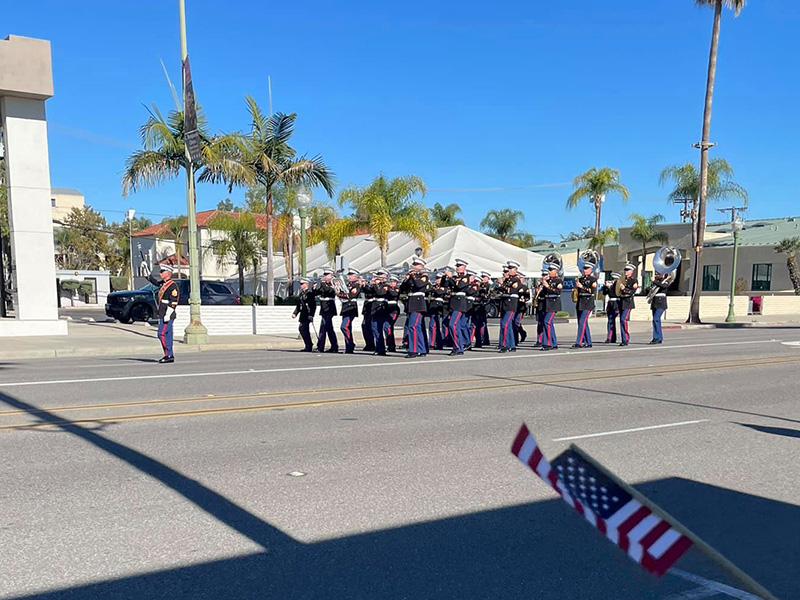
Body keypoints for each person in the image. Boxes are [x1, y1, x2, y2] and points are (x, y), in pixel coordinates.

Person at [399, 257, 431, 358]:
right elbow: (402, 289)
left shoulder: (424, 276)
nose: (414, 266)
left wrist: (413, 275)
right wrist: (406, 279)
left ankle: (413, 349)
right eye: (414, 264)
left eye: (416, 265)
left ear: (421, 267)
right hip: (411, 302)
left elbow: (419, 284)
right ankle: (422, 349)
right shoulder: (412, 277)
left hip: (418, 303)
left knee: (413, 326)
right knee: (417, 327)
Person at [442, 259, 470, 355]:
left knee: (452, 324)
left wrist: (450, 278)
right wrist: (445, 277)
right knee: (456, 326)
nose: (457, 268)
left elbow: (459, 286)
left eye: (459, 266)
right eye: (457, 266)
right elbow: (444, 286)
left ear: (464, 267)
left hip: (459, 303)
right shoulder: (454, 277)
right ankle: (459, 347)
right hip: (453, 303)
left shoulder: (466, 277)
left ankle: (457, 347)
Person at [155, 266, 179, 363]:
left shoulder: (172, 286)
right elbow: (153, 281)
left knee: (162, 334)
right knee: (167, 334)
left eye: (162, 271)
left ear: (168, 273)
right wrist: (146, 272)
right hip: (162, 311)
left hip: (167, 312)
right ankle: (169, 355)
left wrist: (168, 314)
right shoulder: (164, 284)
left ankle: (168, 354)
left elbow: (174, 301)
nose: (160, 273)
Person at [498, 261, 522, 352]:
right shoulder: (507, 280)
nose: (509, 270)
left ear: (515, 270)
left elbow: (512, 291)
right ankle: (512, 345)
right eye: (509, 269)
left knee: (505, 323)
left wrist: (502, 284)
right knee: (508, 325)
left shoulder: (516, 280)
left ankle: (505, 345)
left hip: (511, 304)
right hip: (505, 304)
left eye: (511, 269)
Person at [572, 262, 598, 348]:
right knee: (583, 323)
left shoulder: (593, 280)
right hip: (580, 302)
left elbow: (592, 291)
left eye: (587, 269)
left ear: (590, 270)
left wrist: (582, 287)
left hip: (588, 302)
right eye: (584, 268)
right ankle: (588, 342)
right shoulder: (581, 279)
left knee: (582, 322)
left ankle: (579, 342)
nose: (585, 270)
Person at [313, 269, 339, 353]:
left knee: (325, 327)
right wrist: (314, 288)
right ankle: (331, 346)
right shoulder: (324, 284)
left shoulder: (334, 283)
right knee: (326, 328)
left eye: (327, 274)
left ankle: (324, 346)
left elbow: (329, 291)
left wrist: (323, 283)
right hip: (323, 307)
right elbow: (318, 293)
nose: (325, 276)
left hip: (329, 307)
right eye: (325, 274)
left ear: (331, 275)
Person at [540, 263, 563, 351]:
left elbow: (557, 292)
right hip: (547, 303)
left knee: (547, 322)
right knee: (549, 324)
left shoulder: (558, 281)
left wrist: (548, 286)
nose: (549, 272)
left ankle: (548, 343)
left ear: (555, 271)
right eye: (549, 270)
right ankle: (553, 343)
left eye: (551, 270)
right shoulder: (548, 280)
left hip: (553, 303)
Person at [338, 269, 361, 354]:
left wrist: (340, 294)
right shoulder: (348, 285)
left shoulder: (356, 286)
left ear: (355, 276)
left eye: (351, 275)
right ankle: (348, 347)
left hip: (351, 308)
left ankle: (350, 344)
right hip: (345, 307)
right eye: (349, 275)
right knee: (348, 328)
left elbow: (350, 295)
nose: (349, 277)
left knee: (344, 327)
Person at [292, 278, 316, 352]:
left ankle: (309, 345)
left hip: (307, 314)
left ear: (306, 284)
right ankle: (308, 344)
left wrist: (311, 315)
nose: (301, 286)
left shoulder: (309, 294)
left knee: (304, 329)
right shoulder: (301, 294)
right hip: (303, 314)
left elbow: (313, 305)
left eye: (302, 284)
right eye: (300, 284)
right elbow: (299, 305)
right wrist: (295, 313)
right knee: (302, 329)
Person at [618, 264, 638, 346]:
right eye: (625, 270)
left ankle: (626, 338)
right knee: (621, 321)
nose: (626, 272)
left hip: (628, 302)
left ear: (631, 272)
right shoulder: (621, 280)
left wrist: (624, 289)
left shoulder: (634, 281)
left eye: (627, 270)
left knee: (623, 320)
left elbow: (632, 292)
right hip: (621, 301)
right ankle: (623, 339)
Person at [370, 269, 389, 356]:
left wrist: (375, 285)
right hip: (375, 308)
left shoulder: (386, 285)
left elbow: (380, 292)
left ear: (385, 276)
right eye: (378, 274)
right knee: (375, 329)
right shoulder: (376, 285)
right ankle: (378, 347)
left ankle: (383, 348)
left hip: (382, 308)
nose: (379, 276)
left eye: (381, 275)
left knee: (381, 329)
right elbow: (368, 293)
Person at [647, 272, 669, 344]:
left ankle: (656, 337)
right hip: (655, 302)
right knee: (656, 321)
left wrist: (654, 281)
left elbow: (663, 287)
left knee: (656, 319)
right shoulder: (656, 282)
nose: (657, 275)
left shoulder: (666, 281)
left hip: (661, 303)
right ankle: (658, 338)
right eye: (656, 274)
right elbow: (649, 291)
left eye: (659, 274)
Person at [427, 272, 446, 350]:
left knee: (438, 326)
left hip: (440, 307)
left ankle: (436, 343)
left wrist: (431, 288)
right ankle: (435, 343)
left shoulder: (443, 287)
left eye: (439, 278)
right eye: (437, 278)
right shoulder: (433, 287)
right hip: (433, 307)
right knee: (433, 326)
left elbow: (439, 292)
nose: (437, 280)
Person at [601, 273, 621, 344]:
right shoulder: (611, 286)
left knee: (613, 320)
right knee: (610, 320)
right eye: (612, 279)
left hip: (616, 303)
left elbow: (615, 293)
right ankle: (611, 337)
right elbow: (605, 293)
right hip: (610, 303)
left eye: (614, 279)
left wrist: (611, 287)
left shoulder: (618, 285)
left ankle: (611, 337)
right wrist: (605, 287)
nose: (613, 280)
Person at [384, 274, 401, 352]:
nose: (392, 283)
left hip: (393, 309)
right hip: (387, 309)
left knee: (388, 326)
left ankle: (391, 345)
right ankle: (390, 344)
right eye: (390, 282)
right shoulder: (387, 288)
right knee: (387, 327)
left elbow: (393, 294)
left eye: (394, 282)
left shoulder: (396, 290)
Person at [533, 266, 548, 348]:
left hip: (545, 305)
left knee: (545, 323)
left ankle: (544, 340)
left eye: (545, 275)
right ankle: (539, 340)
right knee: (539, 323)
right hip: (539, 305)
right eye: (543, 275)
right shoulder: (539, 286)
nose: (543, 277)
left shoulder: (547, 285)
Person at [361, 273, 376, 352]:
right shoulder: (369, 286)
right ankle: (369, 343)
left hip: (372, 306)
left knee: (371, 326)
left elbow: (371, 291)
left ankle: (372, 344)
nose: (371, 280)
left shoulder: (377, 287)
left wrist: (365, 286)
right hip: (367, 307)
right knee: (364, 325)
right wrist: (362, 285)